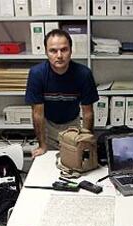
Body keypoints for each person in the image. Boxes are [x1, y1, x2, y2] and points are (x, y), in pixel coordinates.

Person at [25, 29, 99, 157]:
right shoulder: (37, 74)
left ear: (71, 50)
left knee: (77, 161)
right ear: (46, 52)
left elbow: (88, 113)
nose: (59, 55)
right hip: (48, 125)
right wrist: (42, 145)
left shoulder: (84, 74)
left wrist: (86, 142)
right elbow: (37, 114)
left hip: (73, 124)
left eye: (64, 50)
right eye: (53, 50)